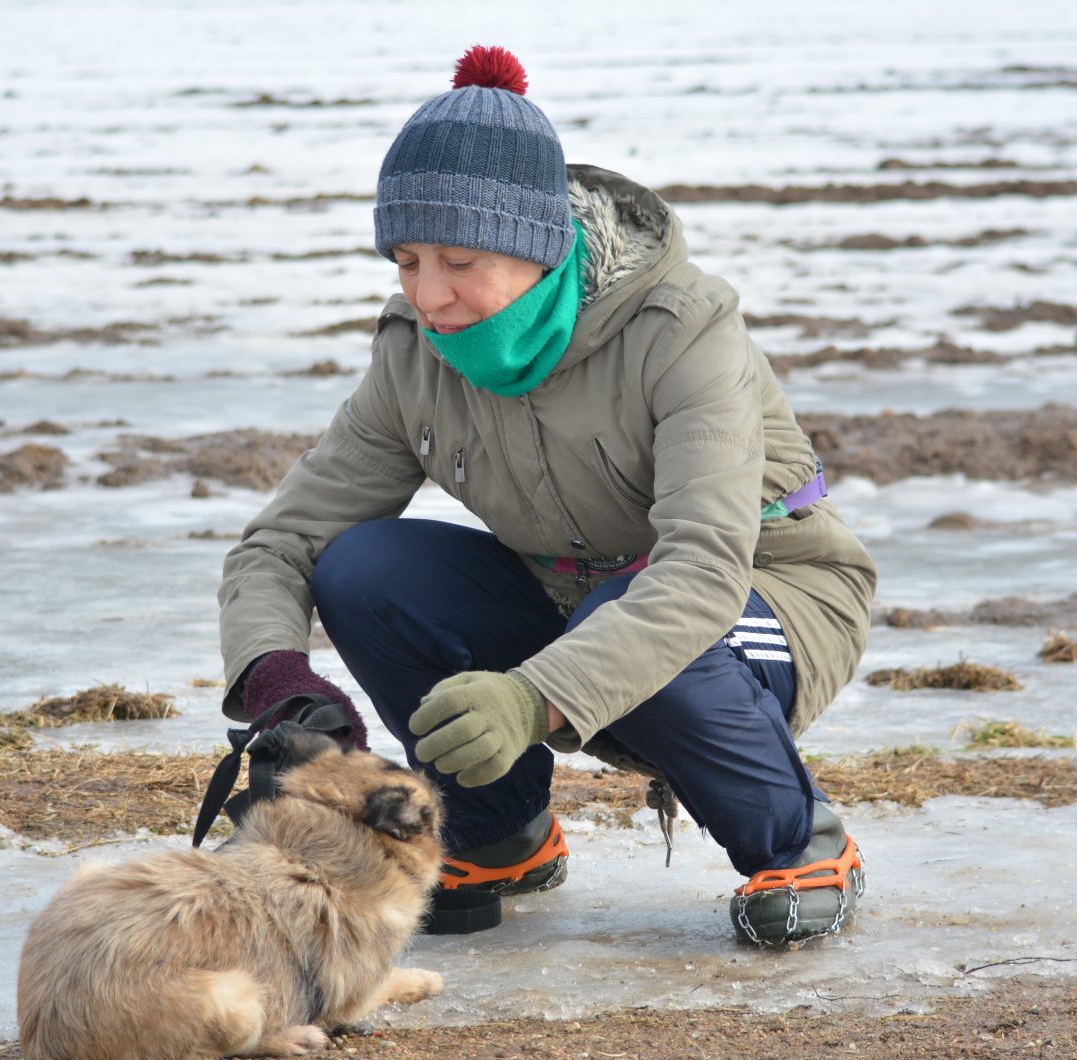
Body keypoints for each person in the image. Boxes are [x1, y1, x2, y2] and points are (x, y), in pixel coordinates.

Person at [218, 45, 877, 944]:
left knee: (642, 614)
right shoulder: (414, 352)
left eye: (459, 260)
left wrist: (532, 699)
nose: (430, 296)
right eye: (406, 260)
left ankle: (800, 843)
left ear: (540, 245)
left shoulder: (684, 332)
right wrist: (281, 684)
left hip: (764, 592)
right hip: (568, 598)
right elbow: (283, 541)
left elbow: (701, 573)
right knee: (363, 566)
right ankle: (500, 836)